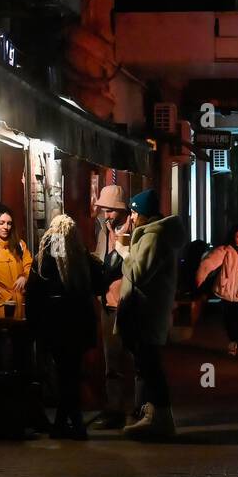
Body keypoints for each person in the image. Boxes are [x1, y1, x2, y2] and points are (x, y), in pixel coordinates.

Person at [26, 215, 104, 440]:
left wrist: (35, 327)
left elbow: (34, 294)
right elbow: (99, 282)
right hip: (76, 327)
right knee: (70, 374)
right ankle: (71, 423)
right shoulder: (79, 257)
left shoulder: (45, 258)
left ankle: (66, 424)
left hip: (55, 327)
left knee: (65, 374)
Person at [117, 189, 186, 439]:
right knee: (146, 365)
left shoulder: (154, 237)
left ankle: (161, 419)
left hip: (146, 313)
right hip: (145, 312)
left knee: (151, 366)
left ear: (144, 214)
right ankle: (151, 415)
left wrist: (122, 250)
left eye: (134, 212)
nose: (132, 218)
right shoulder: (151, 235)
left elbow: (137, 273)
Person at [91, 184, 133, 430]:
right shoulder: (104, 230)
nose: (105, 215)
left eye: (109, 210)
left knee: (132, 359)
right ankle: (114, 409)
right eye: (103, 210)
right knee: (112, 361)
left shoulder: (133, 229)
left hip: (127, 303)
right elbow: (100, 258)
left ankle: (134, 409)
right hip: (107, 303)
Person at [196, 225, 238, 356]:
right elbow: (209, 263)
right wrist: (200, 277)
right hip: (226, 289)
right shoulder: (225, 250)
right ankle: (233, 341)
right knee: (228, 318)